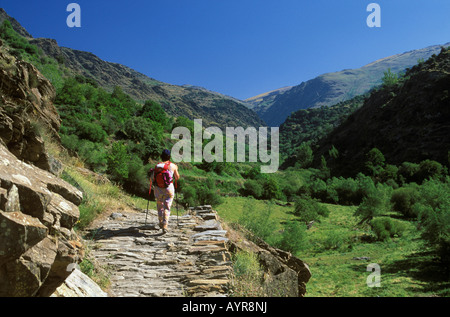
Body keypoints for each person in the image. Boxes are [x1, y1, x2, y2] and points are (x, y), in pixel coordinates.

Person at [151, 149, 180, 234]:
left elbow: (152, 178)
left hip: (158, 188)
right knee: (167, 207)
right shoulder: (172, 165)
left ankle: (160, 222)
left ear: (161, 157)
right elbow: (177, 177)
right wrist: (176, 169)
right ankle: (165, 225)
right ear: (169, 157)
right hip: (169, 188)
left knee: (160, 206)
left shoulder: (157, 166)